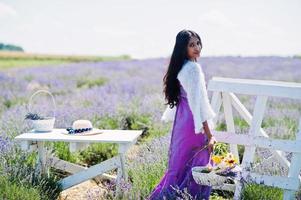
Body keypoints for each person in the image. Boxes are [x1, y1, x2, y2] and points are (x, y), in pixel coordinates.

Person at [147, 29, 217, 200]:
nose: (197, 47)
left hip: (182, 124)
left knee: (177, 168)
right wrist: (210, 136)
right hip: (195, 126)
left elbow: (185, 102)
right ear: (182, 48)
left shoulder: (181, 67)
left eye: (198, 43)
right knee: (198, 169)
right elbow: (199, 105)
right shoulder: (193, 69)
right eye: (191, 45)